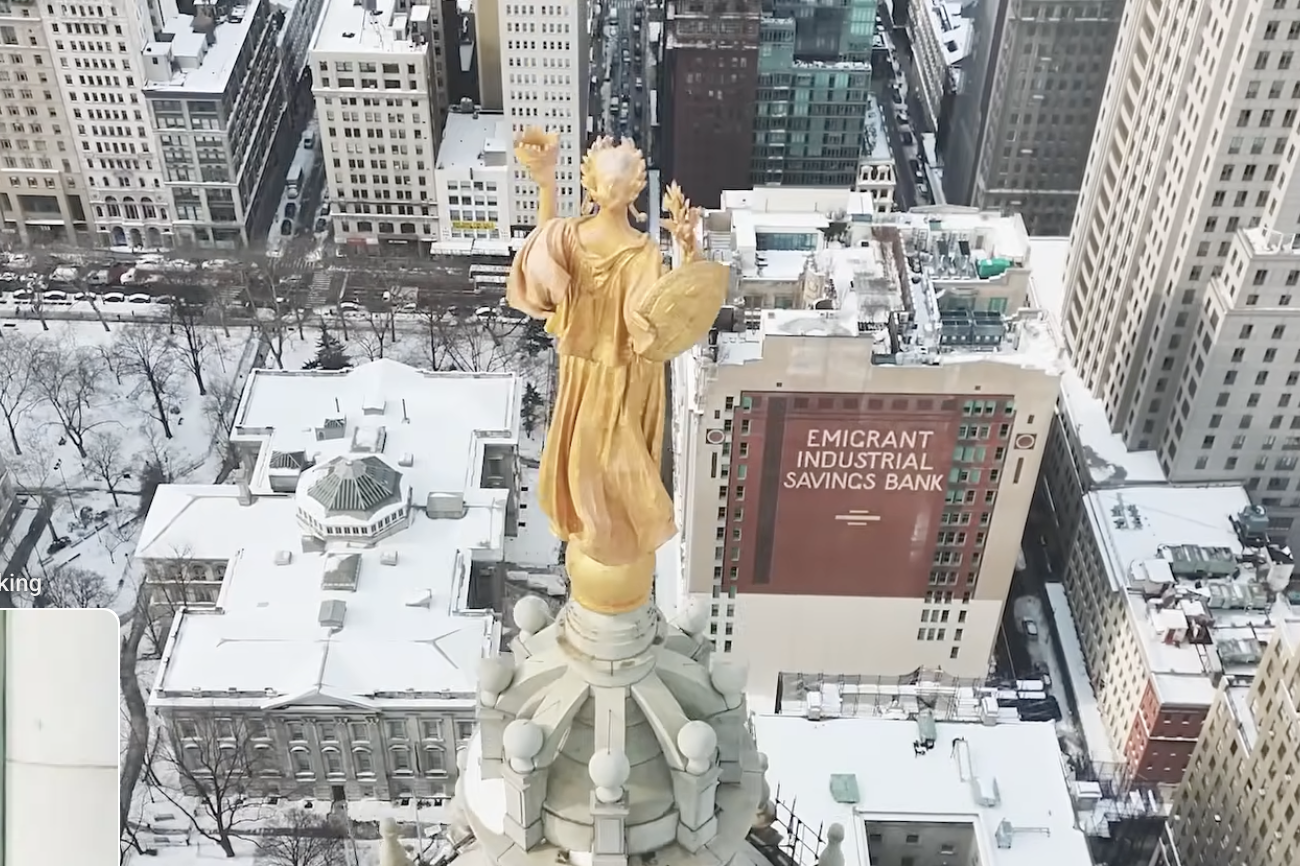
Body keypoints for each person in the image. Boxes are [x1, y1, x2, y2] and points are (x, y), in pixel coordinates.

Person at [508, 130, 707, 587]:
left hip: (599, 374)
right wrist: (688, 252)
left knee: (595, 458)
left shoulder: (574, 237)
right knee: (606, 458)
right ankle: (607, 530)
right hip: (615, 377)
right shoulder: (637, 252)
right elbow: (663, 314)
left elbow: (542, 262)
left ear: (591, 185)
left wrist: (546, 184)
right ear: (635, 190)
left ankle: (608, 531)